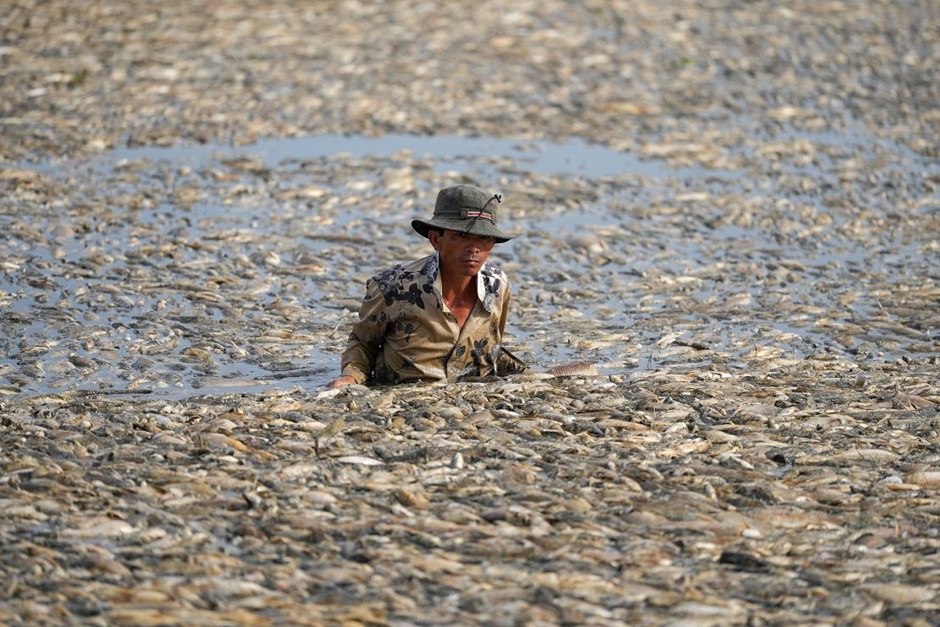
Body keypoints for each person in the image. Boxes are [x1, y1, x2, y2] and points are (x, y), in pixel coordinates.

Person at [328, 184, 527, 388]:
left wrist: (528, 377)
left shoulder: (497, 285)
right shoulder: (394, 287)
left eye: (484, 238)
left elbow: (493, 346)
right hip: (402, 396)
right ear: (436, 239)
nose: (474, 248)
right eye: (461, 236)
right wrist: (350, 378)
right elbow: (362, 342)